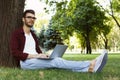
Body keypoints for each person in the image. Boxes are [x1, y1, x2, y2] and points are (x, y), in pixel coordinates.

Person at [10, 9, 108, 72]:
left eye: (33, 18)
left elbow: (37, 50)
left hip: (36, 59)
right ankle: (90, 62)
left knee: (57, 62)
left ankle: (89, 70)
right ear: (23, 19)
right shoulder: (17, 33)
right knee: (56, 62)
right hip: (26, 62)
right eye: (29, 17)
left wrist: (44, 55)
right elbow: (15, 52)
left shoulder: (33, 35)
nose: (31, 19)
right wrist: (35, 55)